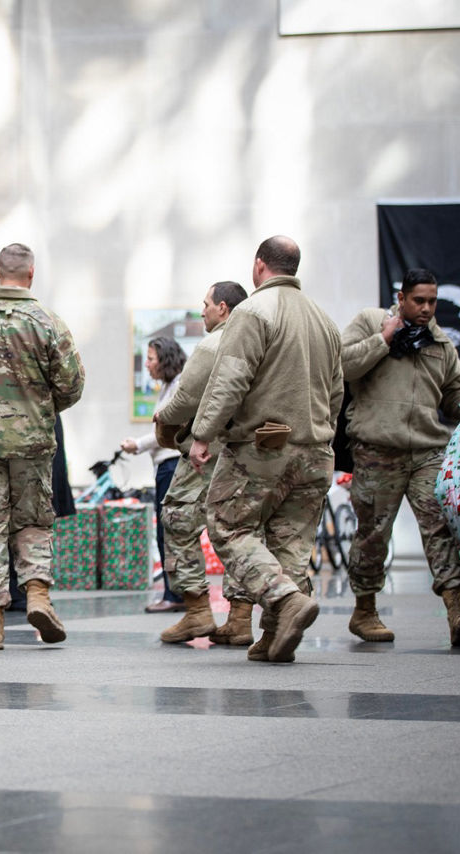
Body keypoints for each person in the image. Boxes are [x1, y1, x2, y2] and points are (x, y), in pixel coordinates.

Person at [189, 235, 342, 664]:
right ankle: (275, 637)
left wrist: (202, 434)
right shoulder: (324, 320)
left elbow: (230, 380)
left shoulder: (253, 311)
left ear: (259, 266)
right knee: (290, 543)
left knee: (227, 523)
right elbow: (336, 392)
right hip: (316, 448)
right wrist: (319, 434)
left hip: (264, 445)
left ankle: (284, 599)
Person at [340, 268, 460, 646]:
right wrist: (383, 339)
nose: (427, 308)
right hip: (376, 450)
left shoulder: (440, 344)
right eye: (419, 300)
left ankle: (456, 613)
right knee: (373, 534)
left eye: (432, 301)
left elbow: (455, 395)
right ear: (401, 298)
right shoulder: (371, 322)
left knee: (440, 529)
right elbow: (343, 365)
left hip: (426, 452)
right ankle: (364, 611)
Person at [0, 243, 84, 649]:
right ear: (31, 274)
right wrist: (41, 408)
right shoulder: (49, 321)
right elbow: (71, 386)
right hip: (33, 441)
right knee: (33, 523)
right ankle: (37, 595)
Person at [151, 281, 250, 644]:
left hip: (206, 452)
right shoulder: (259, 342)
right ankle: (240, 618)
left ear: (223, 308)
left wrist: (163, 419)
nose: (203, 310)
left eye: (206, 305)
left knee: (177, 518)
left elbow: (184, 400)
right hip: (249, 452)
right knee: (239, 530)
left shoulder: (213, 345)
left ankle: (196, 611)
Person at [121, 337, 187, 612]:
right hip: (165, 465)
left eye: (150, 358)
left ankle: (175, 595)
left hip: (170, 465)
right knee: (167, 530)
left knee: (168, 531)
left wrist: (138, 444)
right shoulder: (170, 387)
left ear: (165, 360)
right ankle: (176, 594)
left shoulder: (178, 385)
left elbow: (167, 431)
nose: (146, 364)